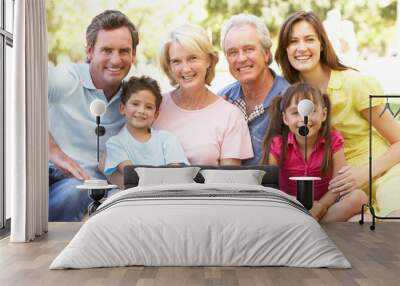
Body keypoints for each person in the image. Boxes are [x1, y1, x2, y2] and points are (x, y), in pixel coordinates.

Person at [275, 10, 400, 217]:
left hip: (383, 172)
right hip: (341, 188)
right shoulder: (293, 97)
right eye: (293, 41)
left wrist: (364, 172)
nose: (301, 48)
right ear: (285, 49)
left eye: (309, 39)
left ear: (322, 44)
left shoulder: (354, 84)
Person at [48, 10, 139, 221]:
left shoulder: (131, 99)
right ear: (90, 51)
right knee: (76, 193)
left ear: (133, 54)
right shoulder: (66, 79)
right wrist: (51, 149)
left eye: (124, 51)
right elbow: (15, 92)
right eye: (106, 50)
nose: (116, 60)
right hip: (53, 178)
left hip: (92, 186)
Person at [262, 83, 367, 222]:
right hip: (288, 208)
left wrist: (320, 206)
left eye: (311, 111)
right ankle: (311, 227)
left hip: (325, 208)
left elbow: (339, 185)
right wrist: (296, 205)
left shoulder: (333, 139)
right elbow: (272, 188)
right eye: (295, 112)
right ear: (285, 119)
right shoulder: (278, 144)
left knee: (359, 198)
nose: (304, 118)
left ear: (323, 114)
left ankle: (312, 227)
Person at [153, 24, 253, 165]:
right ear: (169, 67)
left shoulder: (230, 115)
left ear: (209, 60)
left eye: (193, 58)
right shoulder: (154, 107)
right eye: (176, 61)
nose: (186, 69)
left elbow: (230, 181)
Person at [218, 14, 289, 165]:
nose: (241, 58)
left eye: (248, 49)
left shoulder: (290, 99)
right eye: (233, 52)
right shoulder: (223, 99)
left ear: (266, 53)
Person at [103, 75, 188, 178]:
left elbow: (176, 174)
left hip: (165, 193)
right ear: (122, 108)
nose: (141, 111)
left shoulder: (167, 139)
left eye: (148, 107)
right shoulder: (115, 144)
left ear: (155, 115)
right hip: (131, 194)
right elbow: (132, 175)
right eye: (135, 104)